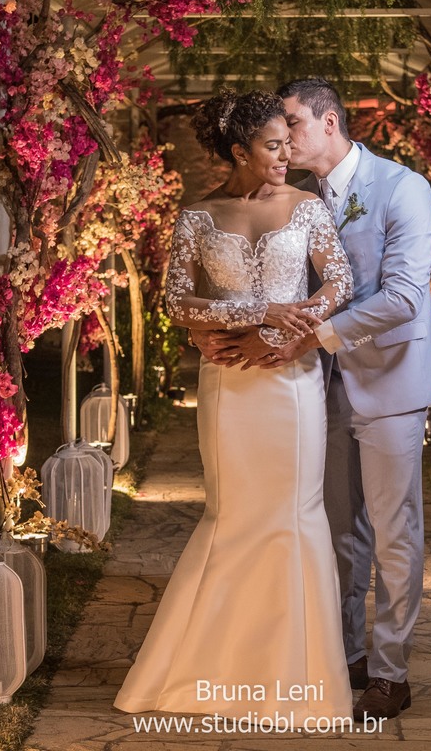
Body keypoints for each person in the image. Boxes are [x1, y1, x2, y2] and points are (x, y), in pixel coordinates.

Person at [194, 78, 431, 722]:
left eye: (293, 124)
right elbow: (278, 279)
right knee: (338, 529)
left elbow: (403, 298)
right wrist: (219, 331)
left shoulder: (403, 188)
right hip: (315, 389)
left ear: (329, 122)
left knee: (395, 533)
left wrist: (314, 340)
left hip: (389, 381)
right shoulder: (298, 199)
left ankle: (391, 672)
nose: (282, 139)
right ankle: (344, 654)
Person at [114, 89, 354, 724]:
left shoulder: (308, 207)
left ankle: (303, 682)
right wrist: (257, 312)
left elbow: (340, 283)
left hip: (291, 380)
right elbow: (177, 302)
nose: (286, 155)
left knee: (296, 517)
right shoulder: (197, 217)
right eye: (273, 146)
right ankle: (207, 675)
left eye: (287, 143)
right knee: (232, 516)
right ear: (239, 150)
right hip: (228, 388)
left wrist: (281, 333)